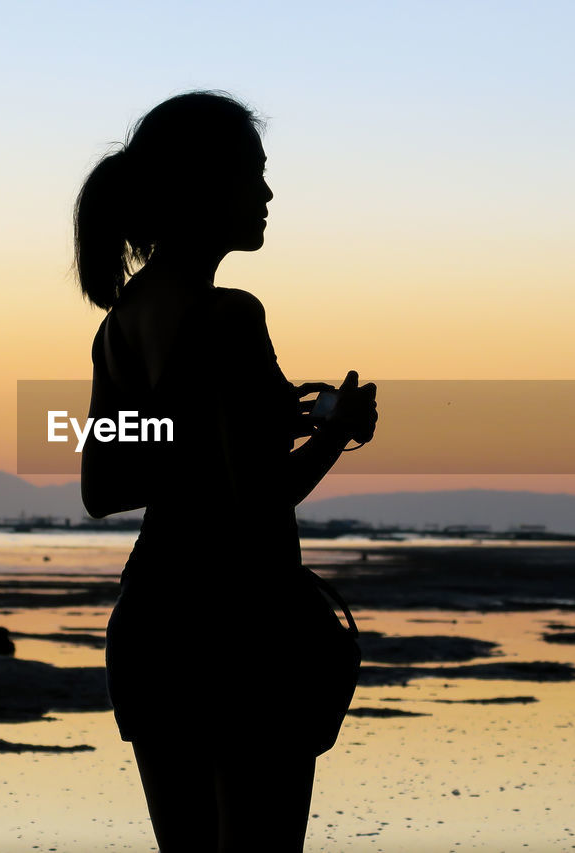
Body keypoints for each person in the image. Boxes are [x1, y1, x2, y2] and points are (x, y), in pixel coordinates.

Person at [75, 91, 378, 852]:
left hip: (155, 630)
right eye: (256, 174)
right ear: (206, 185)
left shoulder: (121, 324)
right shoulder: (230, 315)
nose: (269, 194)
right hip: (244, 635)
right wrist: (332, 435)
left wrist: (222, 432)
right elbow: (259, 503)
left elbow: (103, 484)